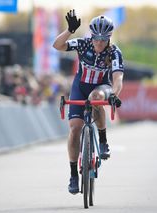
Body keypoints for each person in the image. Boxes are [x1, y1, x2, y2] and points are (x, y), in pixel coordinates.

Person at [53, 10, 125, 194]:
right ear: (91, 36)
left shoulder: (114, 52)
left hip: (102, 86)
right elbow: (57, 45)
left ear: (109, 37)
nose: (99, 42)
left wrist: (114, 94)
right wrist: (69, 30)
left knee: (96, 98)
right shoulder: (83, 43)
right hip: (80, 86)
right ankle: (73, 175)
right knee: (75, 128)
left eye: (103, 39)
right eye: (96, 38)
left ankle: (102, 140)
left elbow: (117, 79)